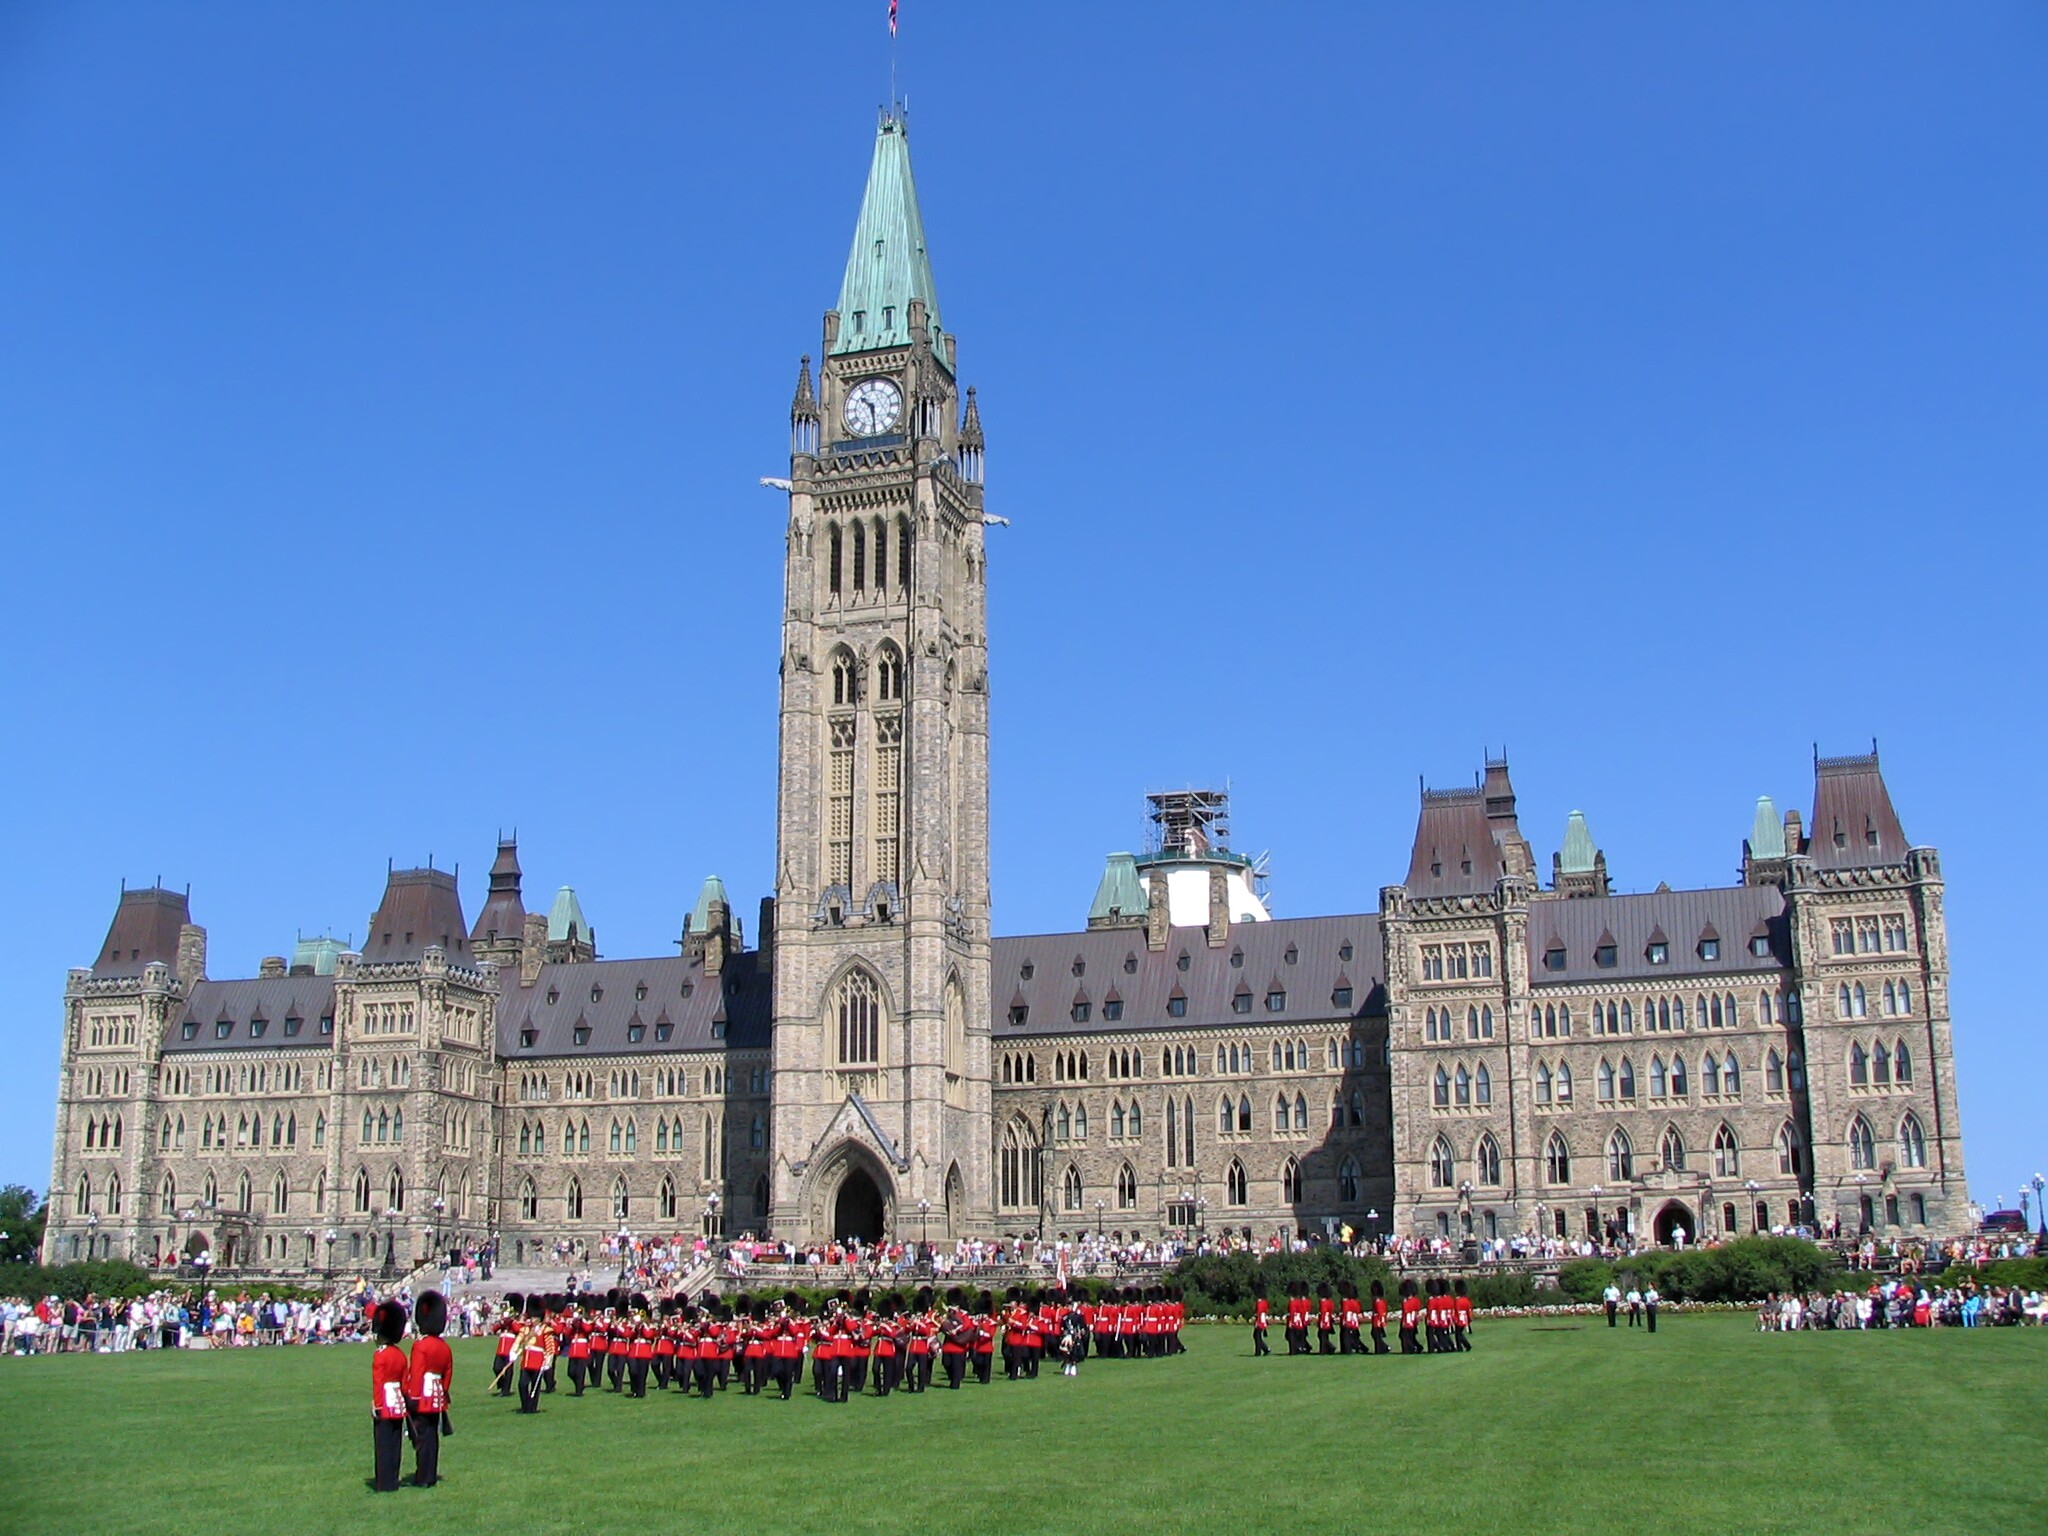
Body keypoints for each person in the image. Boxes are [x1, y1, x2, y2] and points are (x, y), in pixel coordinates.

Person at [405, 1290, 453, 1489]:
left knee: (422, 1438)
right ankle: (430, 1474)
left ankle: (423, 1476)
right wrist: (443, 1393)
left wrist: (412, 1398)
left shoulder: (421, 1345)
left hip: (422, 1397)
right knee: (432, 1437)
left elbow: (416, 1373)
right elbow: (447, 1373)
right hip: (437, 1396)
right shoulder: (444, 1346)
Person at [369, 1301, 409, 1493]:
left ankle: (384, 1482)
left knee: (383, 1444)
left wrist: (377, 1405)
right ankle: (393, 1477)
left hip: (384, 1402)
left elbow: (378, 1382)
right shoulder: (400, 1355)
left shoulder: (380, 1355)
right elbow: (404, 1383)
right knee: (395, 1442)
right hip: (398, 1402)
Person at [1251, 1280, 1271, 1357]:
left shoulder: (1259, 1302)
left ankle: (1262, 1350)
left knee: (1256, 1336)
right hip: (1263, 1320)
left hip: (1260, 1320)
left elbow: (1259, 1313)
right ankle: (1262, 1350)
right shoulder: (1264, 1301)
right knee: (1257, 1336)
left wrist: (1257, 1322)